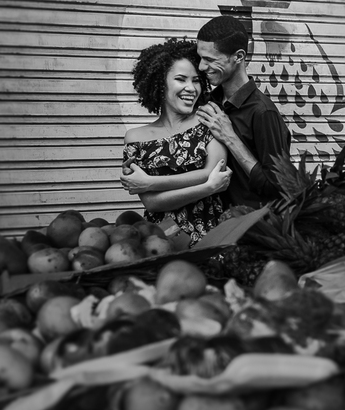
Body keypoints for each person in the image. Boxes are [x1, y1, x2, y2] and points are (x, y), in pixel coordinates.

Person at [121, 38, 232, 243]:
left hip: (211, 237)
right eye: (181, 79)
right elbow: (152, 204)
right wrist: (207, 187)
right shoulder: (135, 139)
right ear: (160, 83)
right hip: (160, 241)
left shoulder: (208, 118)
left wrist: (149, 182)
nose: (191, 88)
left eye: (196, 80)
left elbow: (213, 172)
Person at [194, 15, 291, 207]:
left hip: (248, 228)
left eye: (210, 59)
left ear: (238, 57)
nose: (201, 66)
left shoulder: (263, 112)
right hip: (211, 227)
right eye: (200, 58)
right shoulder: (207, 102)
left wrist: (230, 137)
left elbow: (276, 187)